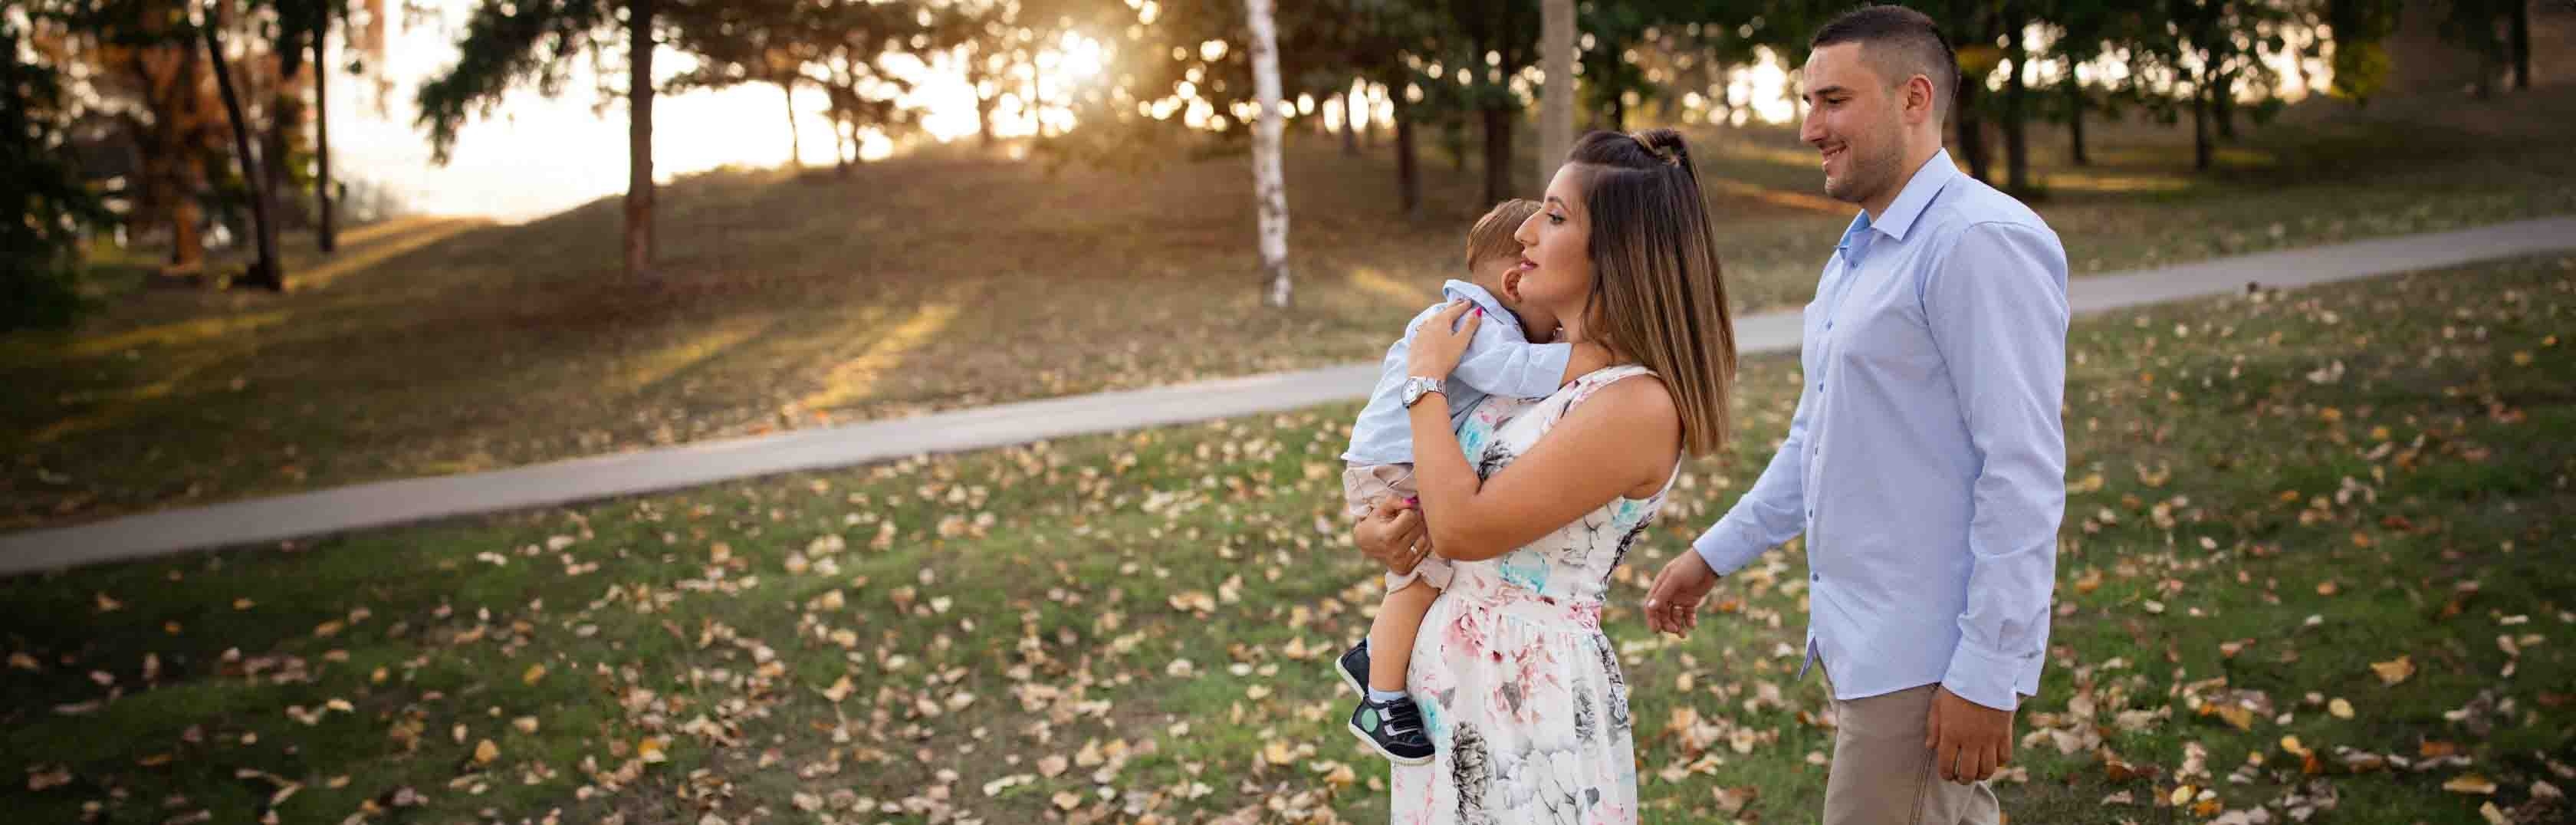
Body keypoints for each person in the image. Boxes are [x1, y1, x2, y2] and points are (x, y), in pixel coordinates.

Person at [1641, 7, 2070, 824]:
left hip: (1929, 652)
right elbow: (1815, 437)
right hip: (1866, 641)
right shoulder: (1863, 251)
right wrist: (1711, 554)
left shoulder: (1977, 241)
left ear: (1914, 99)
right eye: (1808, 102)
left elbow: (2023, 468)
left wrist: (1985, 669)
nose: (1810, 128)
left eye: (1833, 101)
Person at [1353, 128, 1737, 824]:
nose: (1526, 231)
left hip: (1523, 694)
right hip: (1451, 680)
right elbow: (1437, 497)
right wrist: (1381, 536)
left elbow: (1466, 526)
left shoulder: (1634, 402)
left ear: (1617, 253)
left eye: (1555, 217)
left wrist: (1425, 381)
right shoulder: (1529, 364)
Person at [1335, 198, 1615, 764]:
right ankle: (1379, 697)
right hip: (1394, 465)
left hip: (1403, 461)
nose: (1559, 333)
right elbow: (1515, 373)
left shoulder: (1490, 319)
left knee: (1423, 575)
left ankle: (1374, 658)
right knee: (1421, 577)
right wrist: (1594, 355)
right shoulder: (1471, 324)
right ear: (1516, 283)